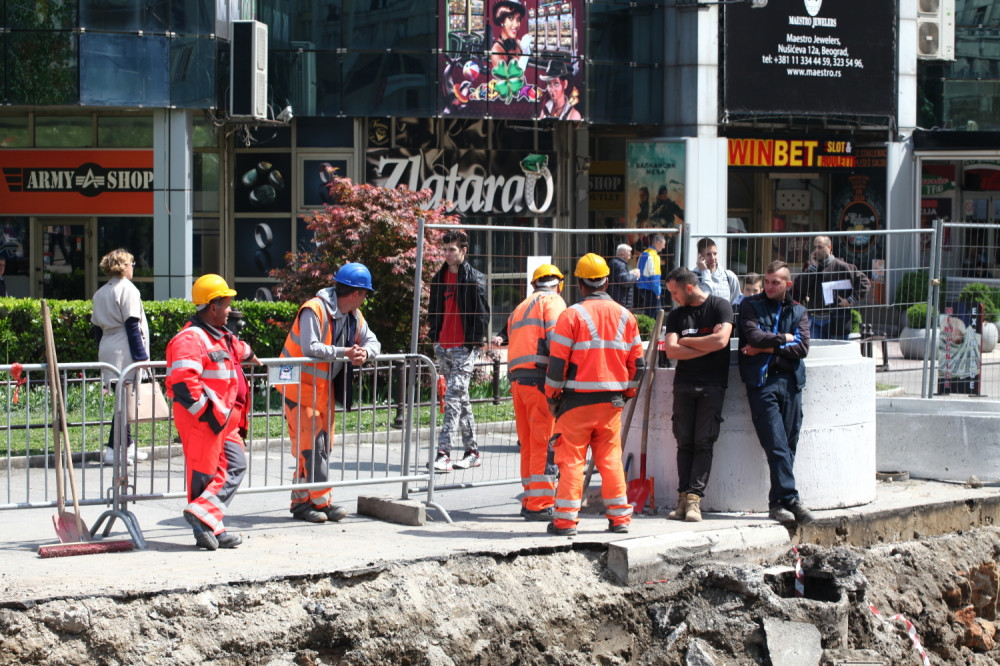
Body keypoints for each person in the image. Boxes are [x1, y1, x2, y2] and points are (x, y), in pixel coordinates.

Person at [544, 253, 644, 536]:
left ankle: (565, 522)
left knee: (572, 459)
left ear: (579, 283)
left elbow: (557, 366)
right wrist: (626, 394)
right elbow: (638, 365)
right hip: (611, 402)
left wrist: (552, 397)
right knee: (610, 459)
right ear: (607, 282)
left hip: (576, 402)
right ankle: (620, 519)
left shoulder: (571, 315)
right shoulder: (627, 316)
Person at [277, 263, 381, 523]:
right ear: (356, 293)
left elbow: (373, 341)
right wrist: (345, 352)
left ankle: (302, 504)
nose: (365, 298)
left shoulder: (354, 316)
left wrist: (364, 353)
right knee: (313, 448)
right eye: (365, 293)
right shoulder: (314, 309)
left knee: (314, 449)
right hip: (299, 390)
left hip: (322, 393)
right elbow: (310, 347)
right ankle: (323, 504)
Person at [165, 274, 257, 550]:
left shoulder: (220, 337)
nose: (230, 310)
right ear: (212, 306)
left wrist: (251, 354)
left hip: (222, 418)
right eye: (227, 304)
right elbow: (182, 382)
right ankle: (210, 528)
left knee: (236, 465)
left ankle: (203, 514)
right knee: (204, 475)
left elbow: (237, 350)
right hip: (203, 419)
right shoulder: (190, 339)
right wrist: (207, 414)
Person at [738, 261, 814, 526]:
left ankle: (776, 503)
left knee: (788, 444)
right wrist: (784, 338)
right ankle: (792, 499)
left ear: (787, 284)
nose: (769, 286)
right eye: (767, 281)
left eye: (775, 283)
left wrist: (766, 348)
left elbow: (802, 347)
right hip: (763, 383)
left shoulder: (799, 311)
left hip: (791, 382)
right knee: (777, 443)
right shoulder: (750, 305)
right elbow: (753, 337)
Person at [492, 264, 566, 521]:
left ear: (534, 284)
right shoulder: (553, 301)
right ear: (558, 283)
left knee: (528, 442)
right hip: (540, 380)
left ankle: (529, 498)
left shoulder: (521, 306)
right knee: (545, 443)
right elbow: (559, 342)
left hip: (518, 381)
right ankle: (541, 503)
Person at [662, 267, 734, 523]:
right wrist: (707, 343)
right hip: (684, 385)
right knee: (684, 442)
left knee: (704, 442)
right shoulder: (676, 315)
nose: (673, 297)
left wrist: (686, 342)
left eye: (675, 292)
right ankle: (682, 499)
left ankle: (694, 501)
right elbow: (671, 351)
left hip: (712, 385)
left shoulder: (720, 307)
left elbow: (721, 342)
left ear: (689, 288)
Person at [428, 230, 490, 472]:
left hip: (465, 347)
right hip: (444, 346)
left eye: (452, 249)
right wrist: (436, 340)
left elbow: (482, 315)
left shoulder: (475, 278)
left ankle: (443, 453)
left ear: (464, 251)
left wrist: (473, 344)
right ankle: (472, 451)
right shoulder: (438, 278)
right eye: (444, 250)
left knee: (453, 398)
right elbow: (434, 310)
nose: (447, 254)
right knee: (461, 398)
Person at [91, 249, 150, 465]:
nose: (133, 267)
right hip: (124, 349)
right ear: (124, 266)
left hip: (108, 346)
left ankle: (129, 446)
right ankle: (112, 450)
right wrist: (142, 357)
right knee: (123, 404)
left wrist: (103, 350)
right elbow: (132, 325)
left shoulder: (100, 292)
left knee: (121, 401)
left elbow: (97, 329)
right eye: (131, 263)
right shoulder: (128, 289)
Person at [791, 236, 870, 340]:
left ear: (829, 247)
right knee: (816, 352)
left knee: (837, 353)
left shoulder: (842, 267)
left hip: (837, 320)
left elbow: (865, 282)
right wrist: (813, 268)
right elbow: (801, 288)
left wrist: (850, 300)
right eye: (815, 247)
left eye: (820, 247)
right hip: (815, 319)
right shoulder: (811, 268)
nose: (816, 251)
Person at [694, 237, 740, 304]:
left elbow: (736, 302)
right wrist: (705, 271)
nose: (713, 258)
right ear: (700, 257)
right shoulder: (693, 277)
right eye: (708, 254)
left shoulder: (729, 276)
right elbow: (704, 300)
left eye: (715, 254)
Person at [636, 234, 666, 319]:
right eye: (663, 244)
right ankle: (653, 332)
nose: (664, 247)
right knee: (656, 314)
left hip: (642, 287)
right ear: (657, 243)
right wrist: (658, 292)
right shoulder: (654, 256)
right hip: (651, 289)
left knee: (648, 313)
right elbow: (655, 276)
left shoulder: (644, 253)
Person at [490, 0, 526, 68]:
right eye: (511, 18)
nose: (516, 25)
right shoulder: (497, 50)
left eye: (518, 19)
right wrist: (526, 54)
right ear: (501, 20)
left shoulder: (518, 43)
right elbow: (507, 77)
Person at [608, 244, 639, 309]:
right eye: (629, 253)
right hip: (622, 301)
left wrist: (630, 273)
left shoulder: (616, 263)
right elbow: (625, 281)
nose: (630, 256)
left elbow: (621, 277)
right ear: (623, 253)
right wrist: (635, 275)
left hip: (618, 299)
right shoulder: (620, 265)